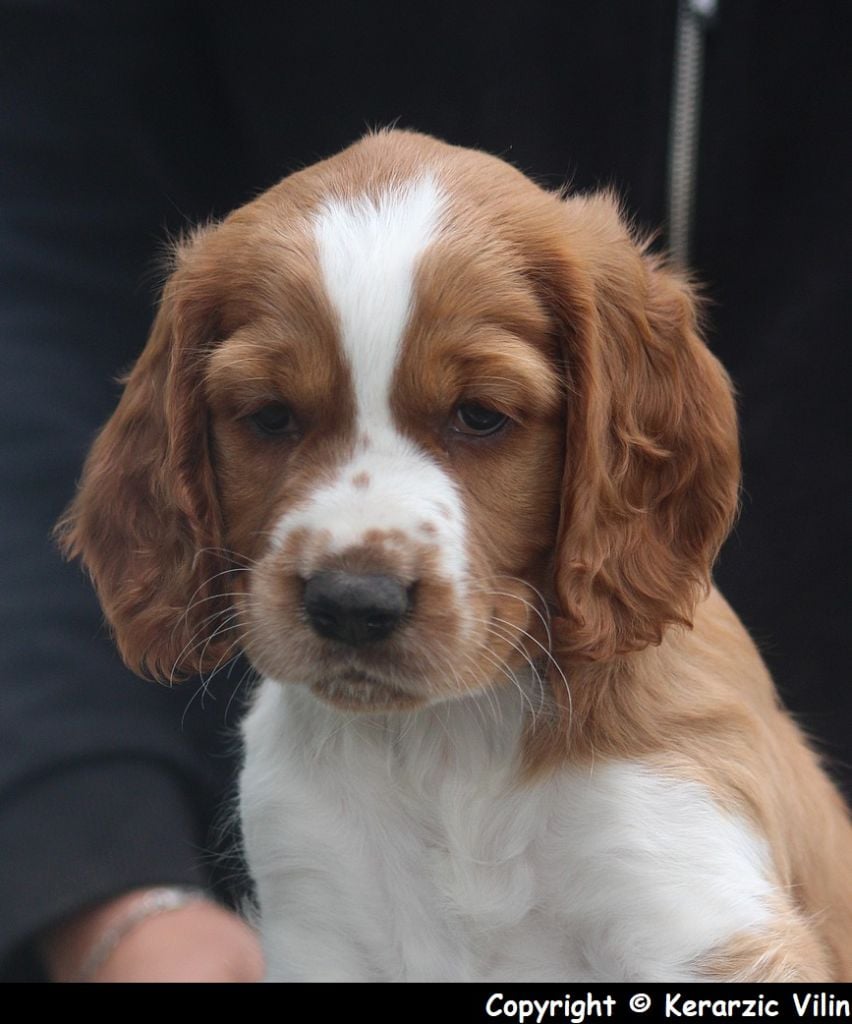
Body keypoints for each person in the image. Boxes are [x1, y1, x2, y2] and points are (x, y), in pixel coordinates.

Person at [2, 1, 849, 981]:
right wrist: (92, 859)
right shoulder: (293, 774)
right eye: (270, 417)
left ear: (602, 435)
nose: (354, 569)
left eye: (481, 415)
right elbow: (44, 233)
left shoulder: (662, 748)